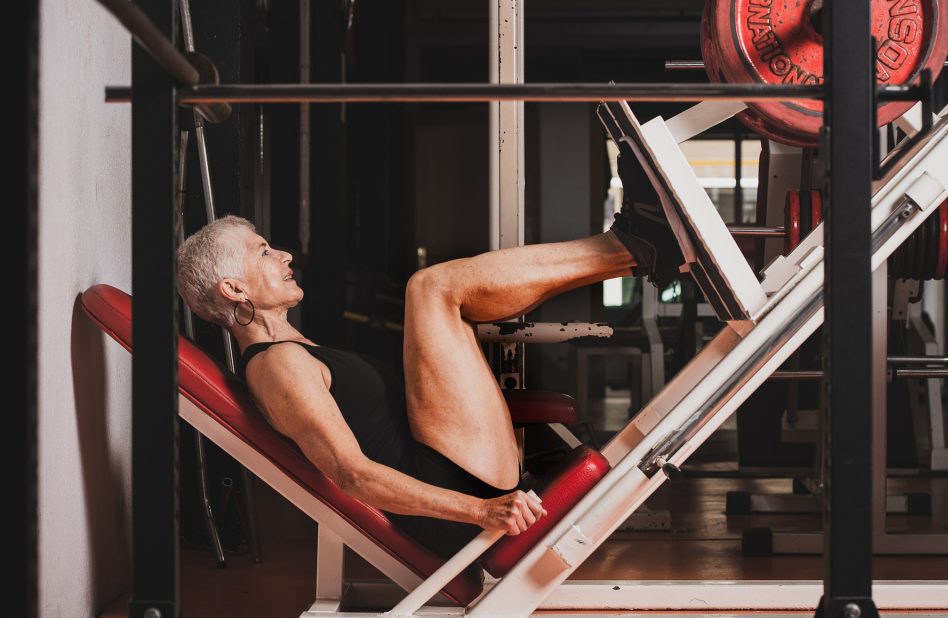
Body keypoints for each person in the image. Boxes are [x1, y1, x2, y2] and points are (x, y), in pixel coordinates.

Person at [174, 156, 682, 559]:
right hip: (455, 495)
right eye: (264, 251)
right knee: (432, 288)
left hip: (456, 468)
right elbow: (352, 475)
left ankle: (638, 250)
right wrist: (482, 511)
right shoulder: (276, 366)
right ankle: (635, 246)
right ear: (233, 288)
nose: (283, 255)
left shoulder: (293, 350)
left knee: (443, 296)